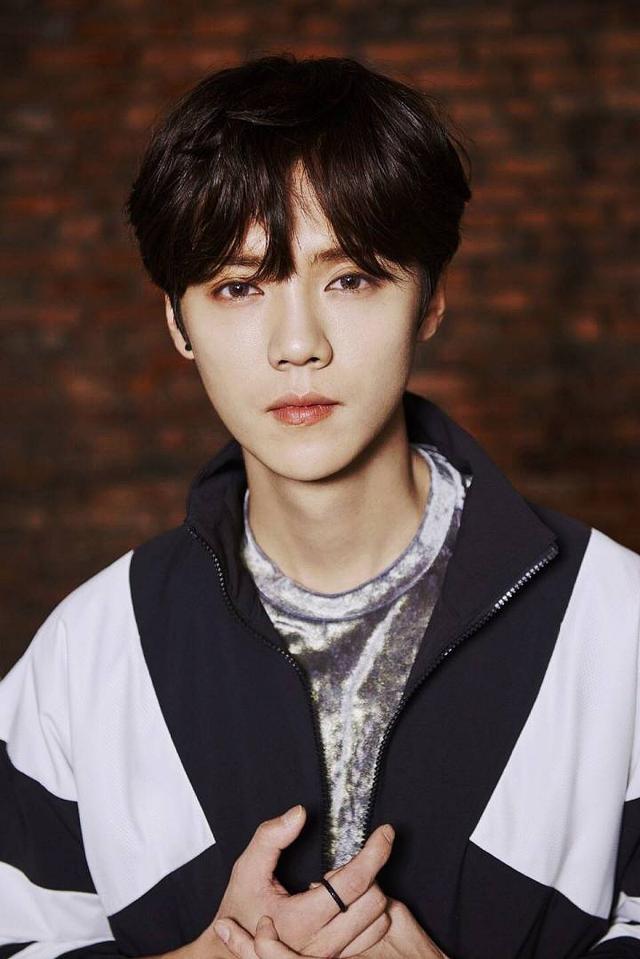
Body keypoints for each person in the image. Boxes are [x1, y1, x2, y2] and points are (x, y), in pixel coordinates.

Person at [1, 52, 639, 959]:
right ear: (177, 321)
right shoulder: (89, 652)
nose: (297, 344)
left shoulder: (617, 624)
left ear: (431, 299)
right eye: (238, 287)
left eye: (352, 278)